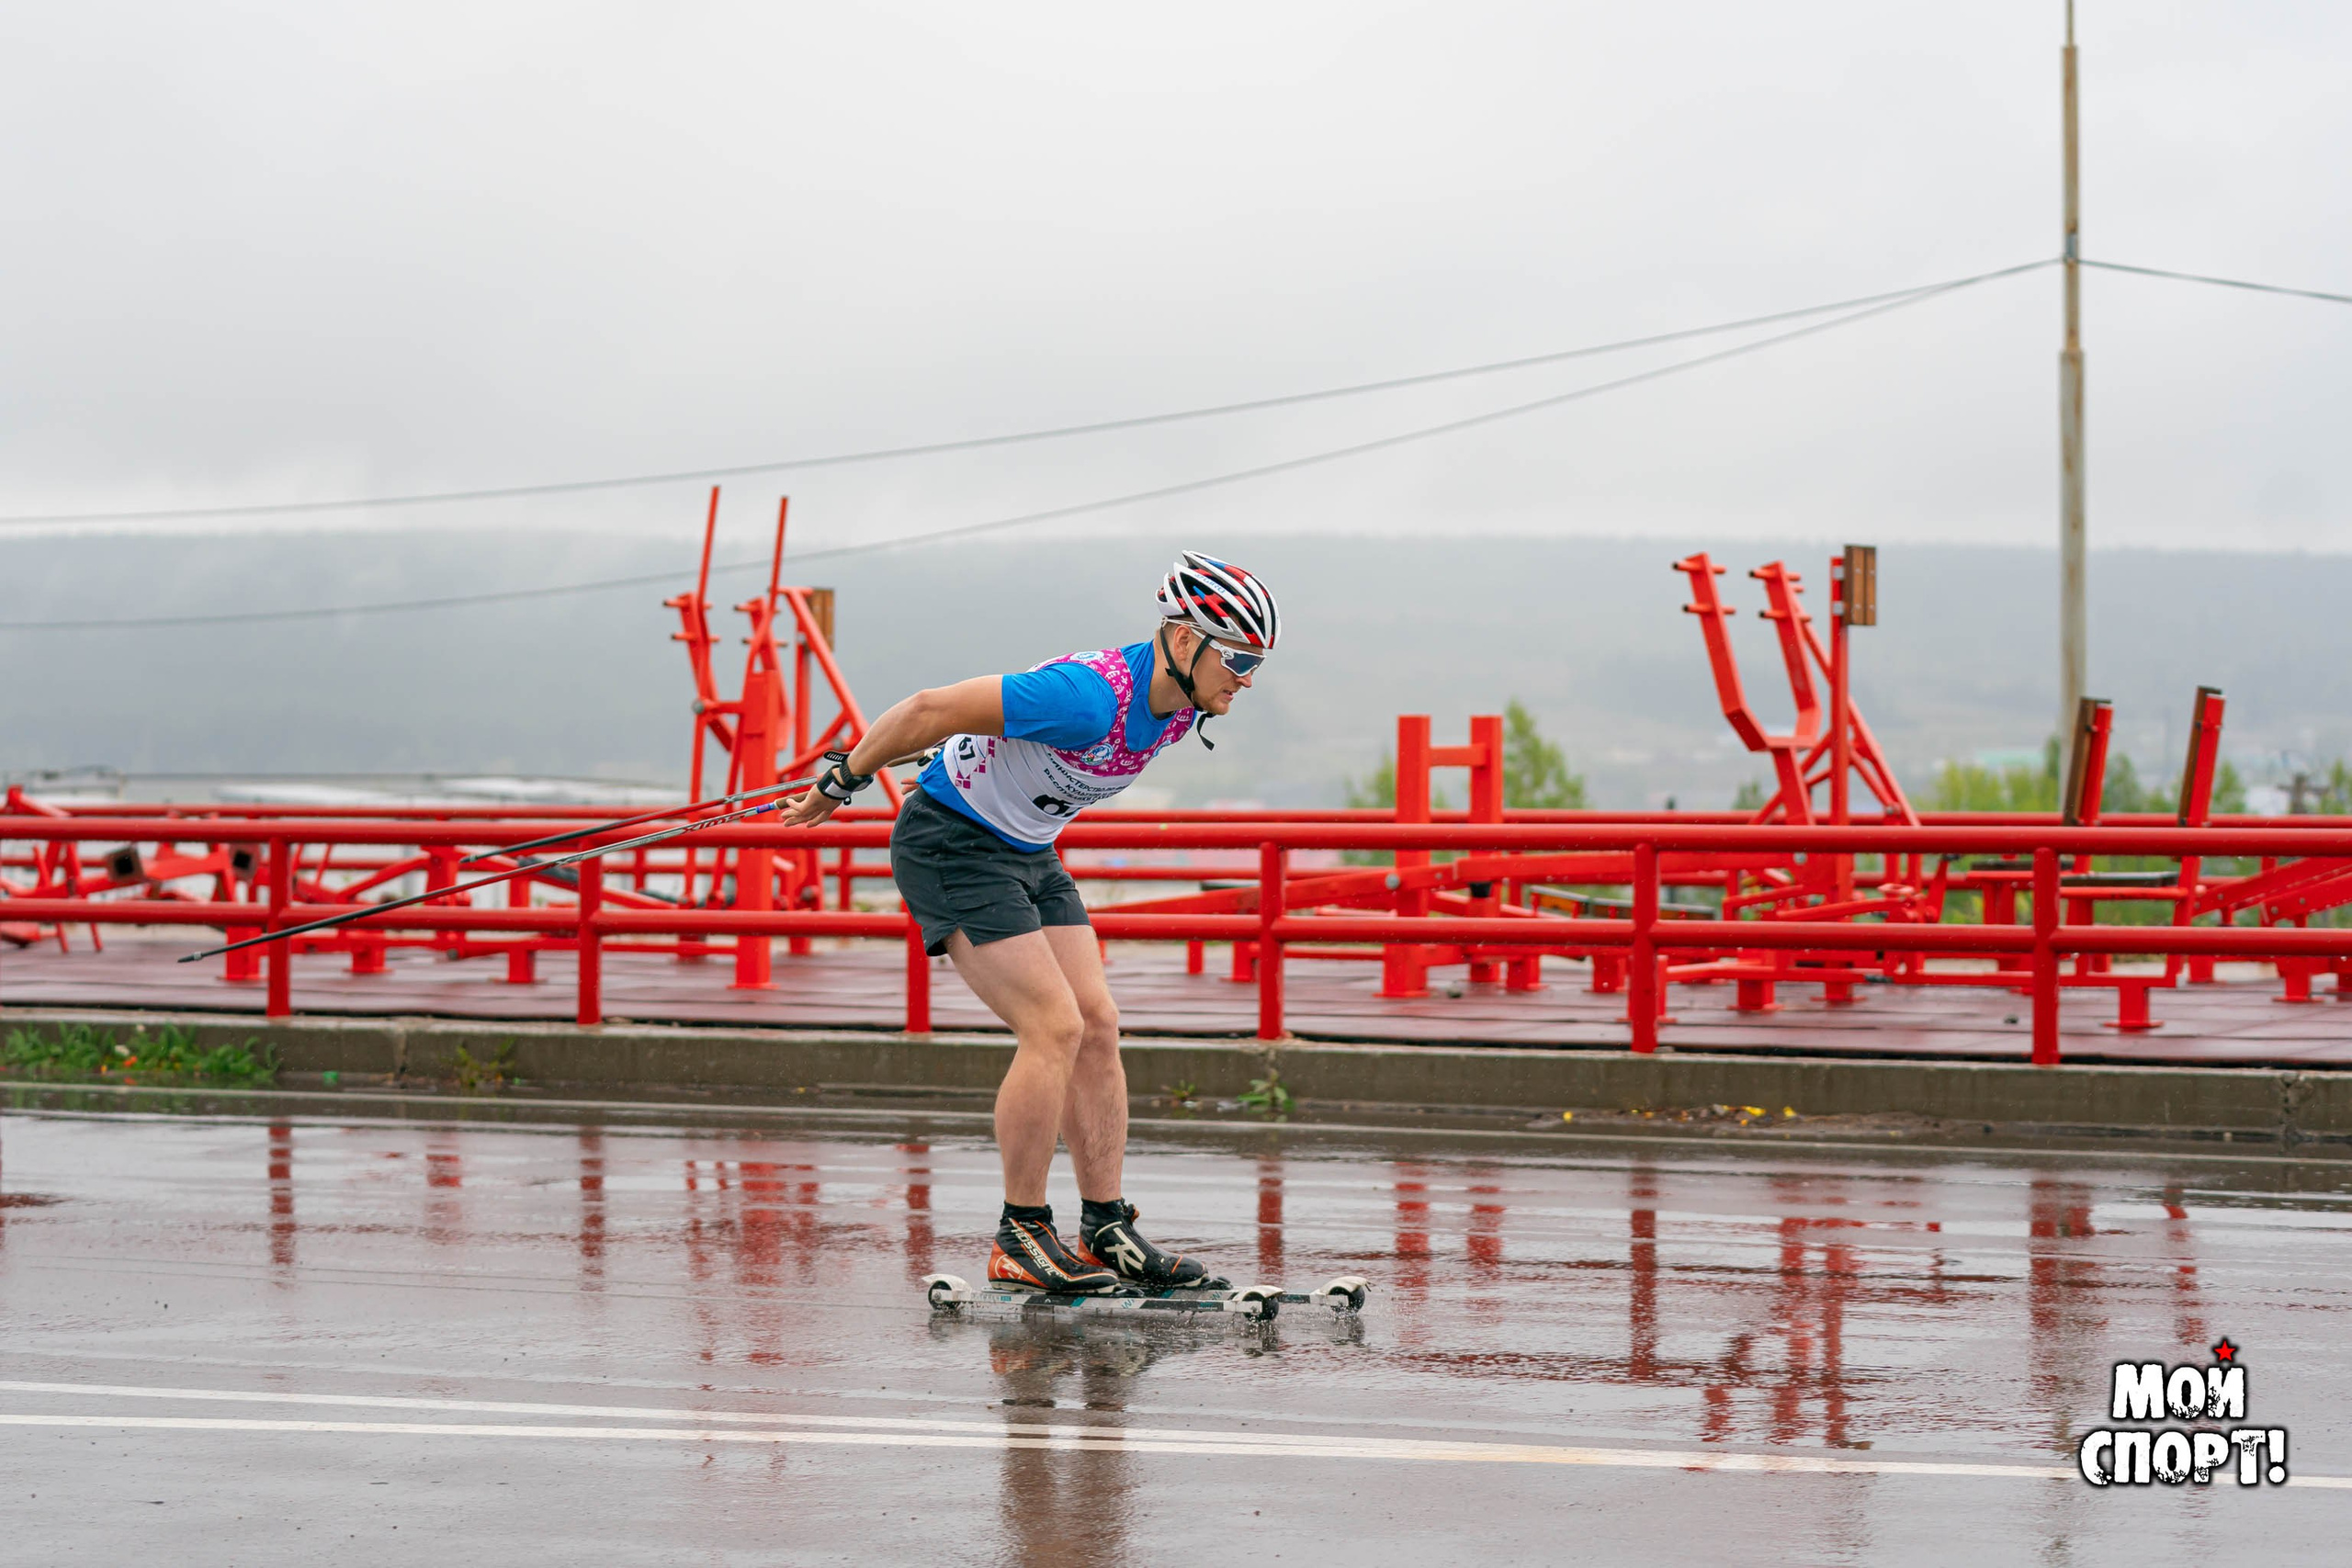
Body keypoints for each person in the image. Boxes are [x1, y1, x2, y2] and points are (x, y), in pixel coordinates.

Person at [783, 551, 1279, 1293]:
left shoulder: (1181, 709)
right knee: (1053, 1026)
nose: (1245, 677)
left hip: (1029, 851)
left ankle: (1106, 1225)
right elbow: (927, 708)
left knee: (1098, 1023)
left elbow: (992, 742)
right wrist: (843, 777)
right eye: (1237, 657)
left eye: (1257, 664)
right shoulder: (1083, 696)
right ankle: (1021, 1231)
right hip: (953, 841)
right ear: (1183, 641)